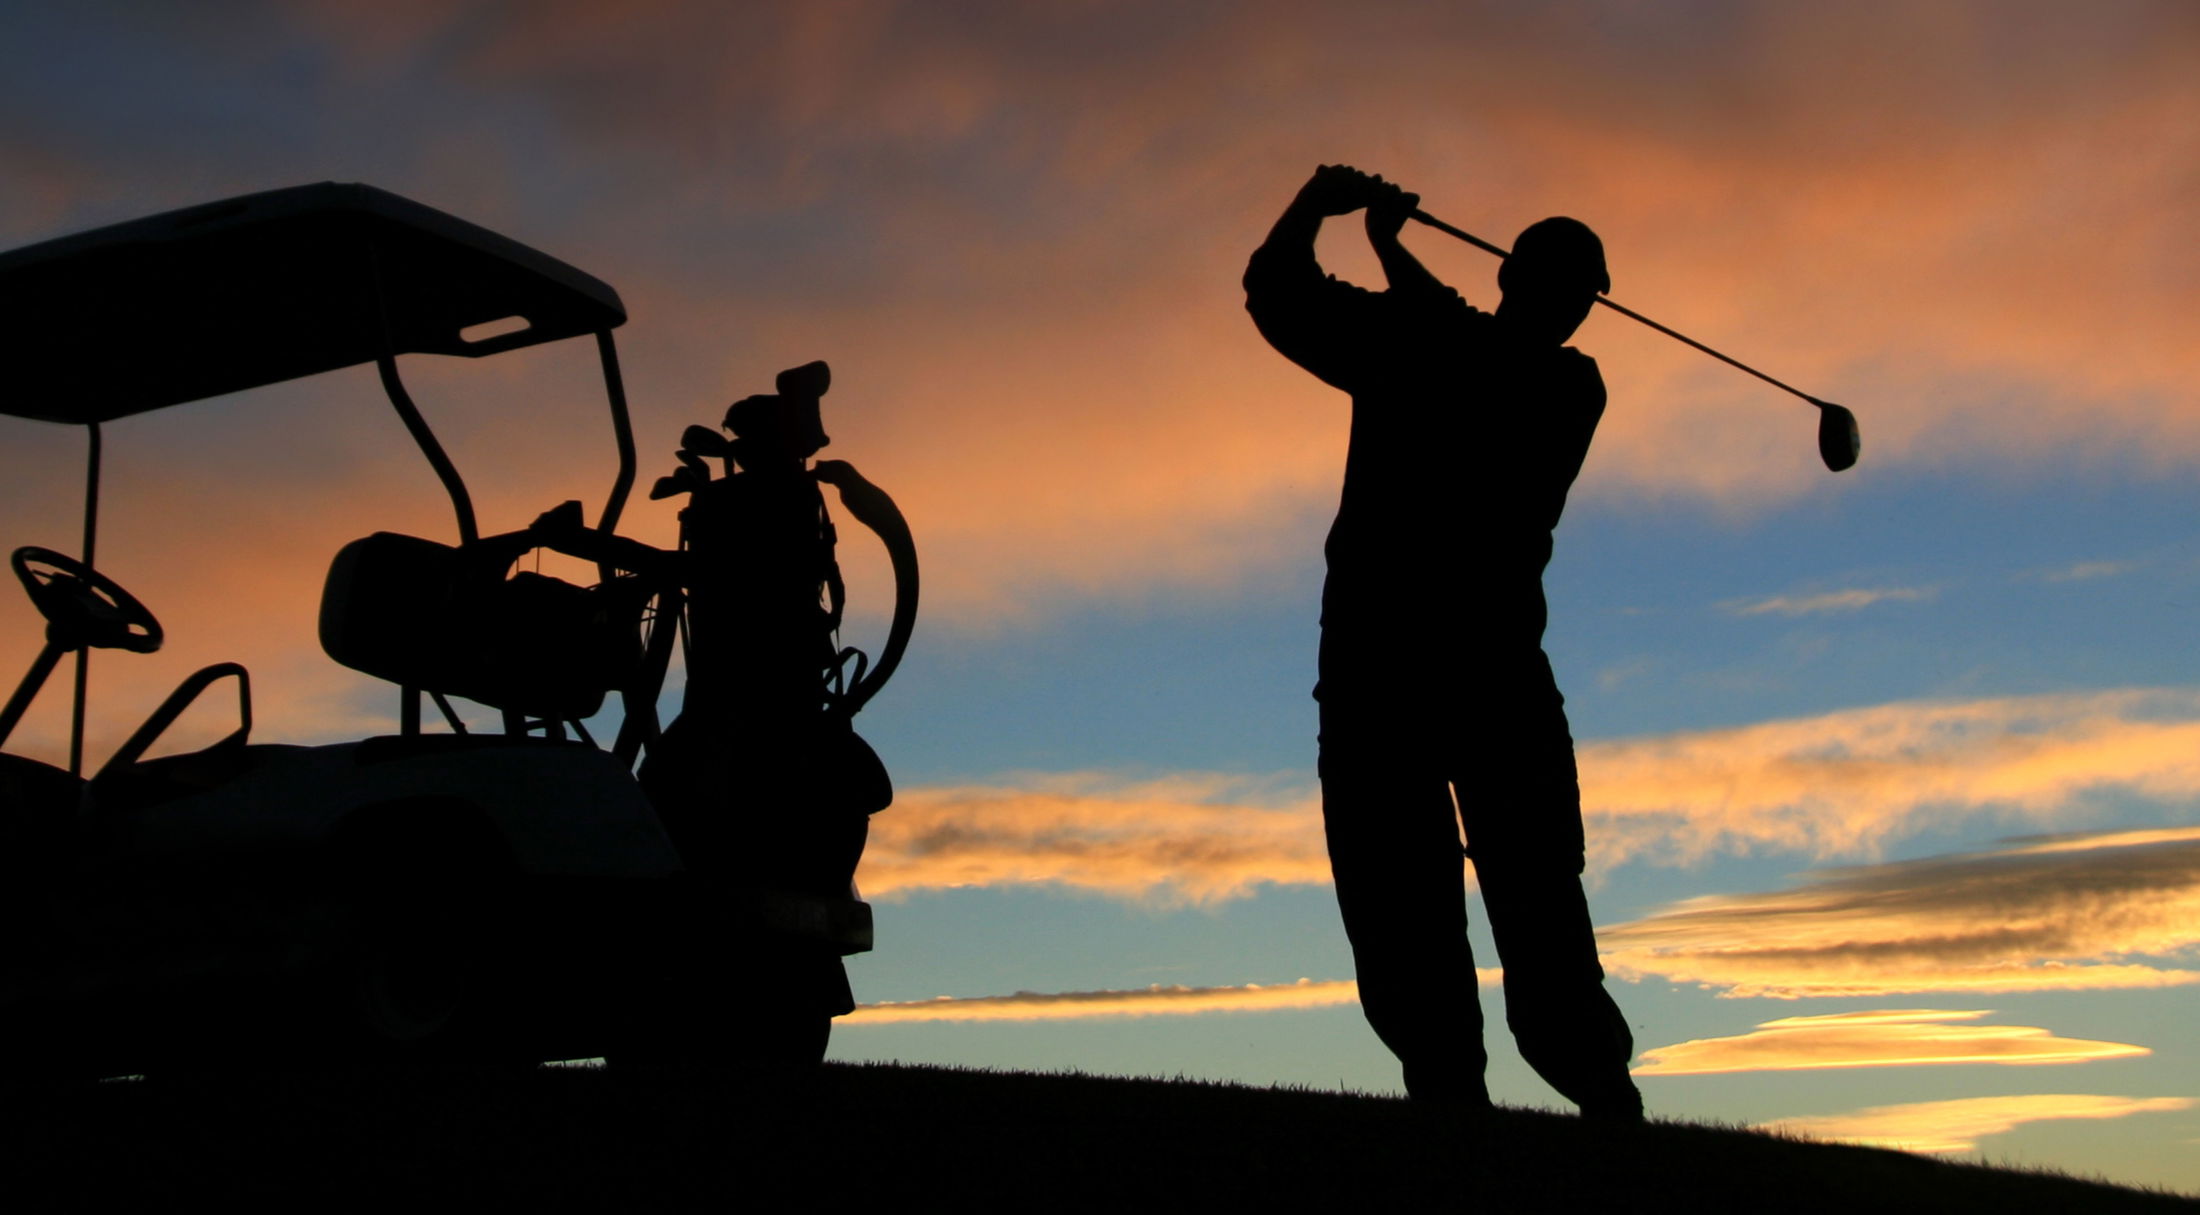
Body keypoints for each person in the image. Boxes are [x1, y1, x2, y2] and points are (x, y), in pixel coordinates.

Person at [1244, 164, 1642, 1121]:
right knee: (1418, 895)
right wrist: (1375, 243)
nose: (1578, 314)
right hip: (1449, 676)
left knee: (1505, 891)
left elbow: (1295, 294)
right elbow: (1286, 298)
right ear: (1532, 286)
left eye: (1582, 297)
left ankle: (1562, 1093)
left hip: (1429, 674)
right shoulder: (1449, 344)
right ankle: (1473, 1098)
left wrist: (1345, 222)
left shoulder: (1556, 385)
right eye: (1575, 292)